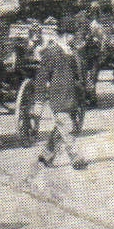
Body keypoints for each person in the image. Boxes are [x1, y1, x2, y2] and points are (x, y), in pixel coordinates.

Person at [35, 24, 88, 170]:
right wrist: (39, 101)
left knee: (60, 127)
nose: (74, 39)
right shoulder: (51, 52)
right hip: (58, 97)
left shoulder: (72, 53)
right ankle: (75, 156)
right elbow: (41, 78)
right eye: (72, 36)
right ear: (65, 35)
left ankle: (46, 155)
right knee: (66, 126)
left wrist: (82, 91)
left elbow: (79, 75)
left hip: (72, 96)